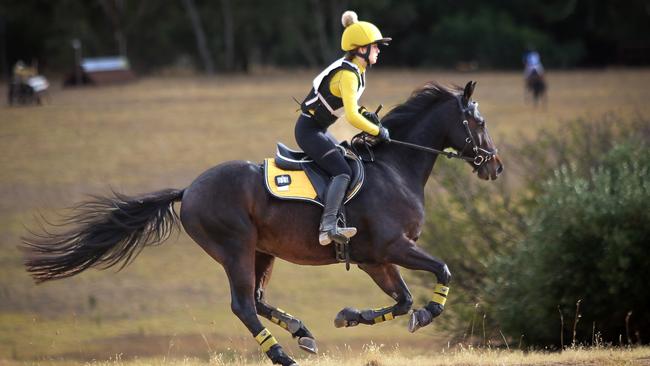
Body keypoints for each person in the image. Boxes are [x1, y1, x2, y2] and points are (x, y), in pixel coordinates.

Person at [295, 10, 391, 246]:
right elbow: (350, 116)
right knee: (342, 171)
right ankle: (327, 226)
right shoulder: (348, 75)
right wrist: (377, 131)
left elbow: (353, 108)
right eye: (375, 46)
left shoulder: (355, 70)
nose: (379, 50)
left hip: (318, 129)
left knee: (348, 160)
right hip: (309, 131)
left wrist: (365, 114)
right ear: (361, 49)